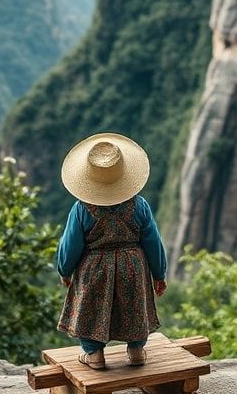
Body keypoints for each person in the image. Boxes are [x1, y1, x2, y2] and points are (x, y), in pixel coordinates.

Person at [56, 132, 167, 370]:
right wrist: (159, 273)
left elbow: (71, 244)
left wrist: (64, 270)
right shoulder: (140, 205)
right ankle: (136, 349)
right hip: (133, 265)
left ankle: (94, 354)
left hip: (94, 267)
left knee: (92, 307)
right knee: (133, 304)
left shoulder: (81, 209)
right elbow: (153, 242)